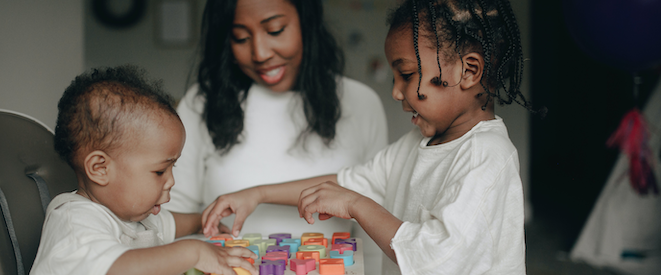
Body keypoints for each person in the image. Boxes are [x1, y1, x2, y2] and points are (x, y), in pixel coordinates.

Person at [201, 0, 543, 273]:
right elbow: (346, 183)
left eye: (407, 75)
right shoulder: (416, 145)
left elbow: (437, 258)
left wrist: (356, 206)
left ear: (468, 71)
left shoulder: (487, 156)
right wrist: (258, 193)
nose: (396, 92)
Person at [165, 0, 388, 240]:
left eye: (275, 30)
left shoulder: (361, 102)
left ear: (306, 23)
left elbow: (376, 220)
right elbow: (169, 219)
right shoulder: (202, 103)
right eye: (240, 37)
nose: (260, 53)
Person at [30, 65, 257, 275]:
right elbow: (116, 268)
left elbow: (173, 224)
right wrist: (194, 252)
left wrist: (204, 221)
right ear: (100, 168)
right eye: (160, 171)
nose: (171, 182)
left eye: (172, 168)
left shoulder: (135, 215)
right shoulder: (74, 221)